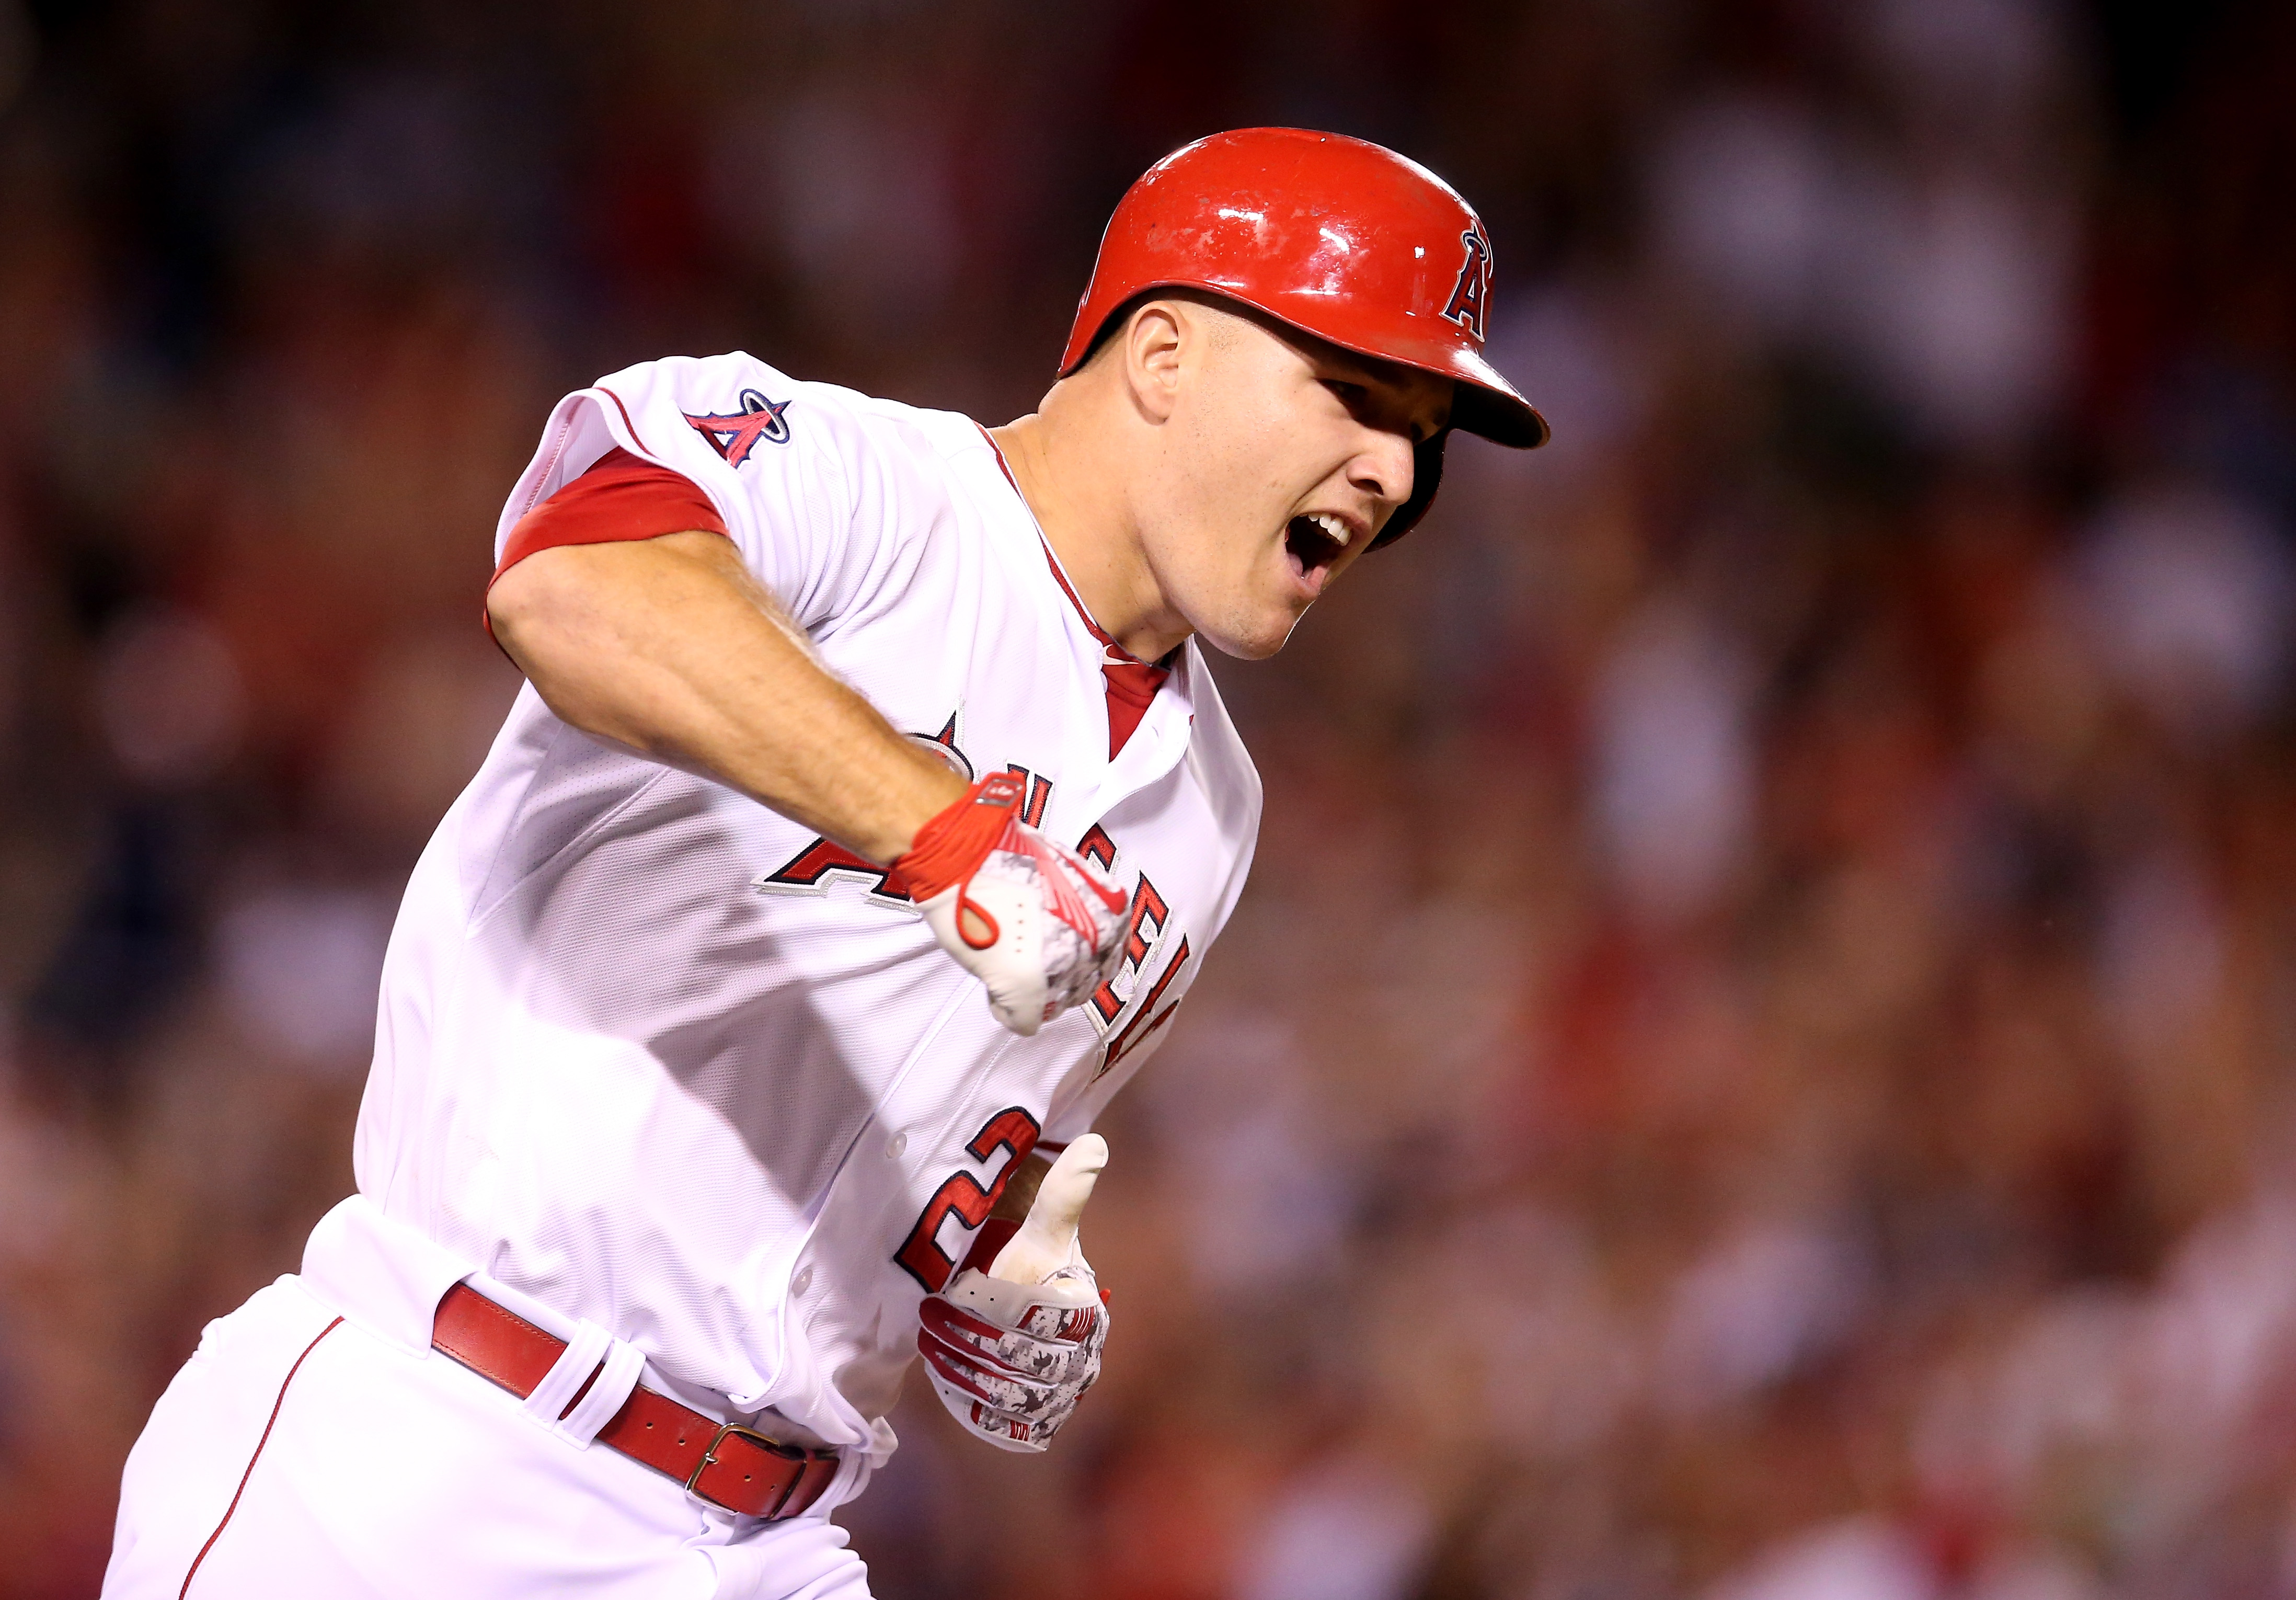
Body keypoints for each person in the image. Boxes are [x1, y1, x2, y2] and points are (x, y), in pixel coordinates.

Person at [102, 126, 1548, 1600]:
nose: (1392, 468)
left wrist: (985, 1281)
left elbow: (944, 1137)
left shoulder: (1214, 816)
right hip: (436, 1454)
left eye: (1421, 436)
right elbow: (575, 582)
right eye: (1359, 393)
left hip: (764, 1541)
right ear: (1163, 356)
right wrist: (936, 824)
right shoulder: (852, 479)